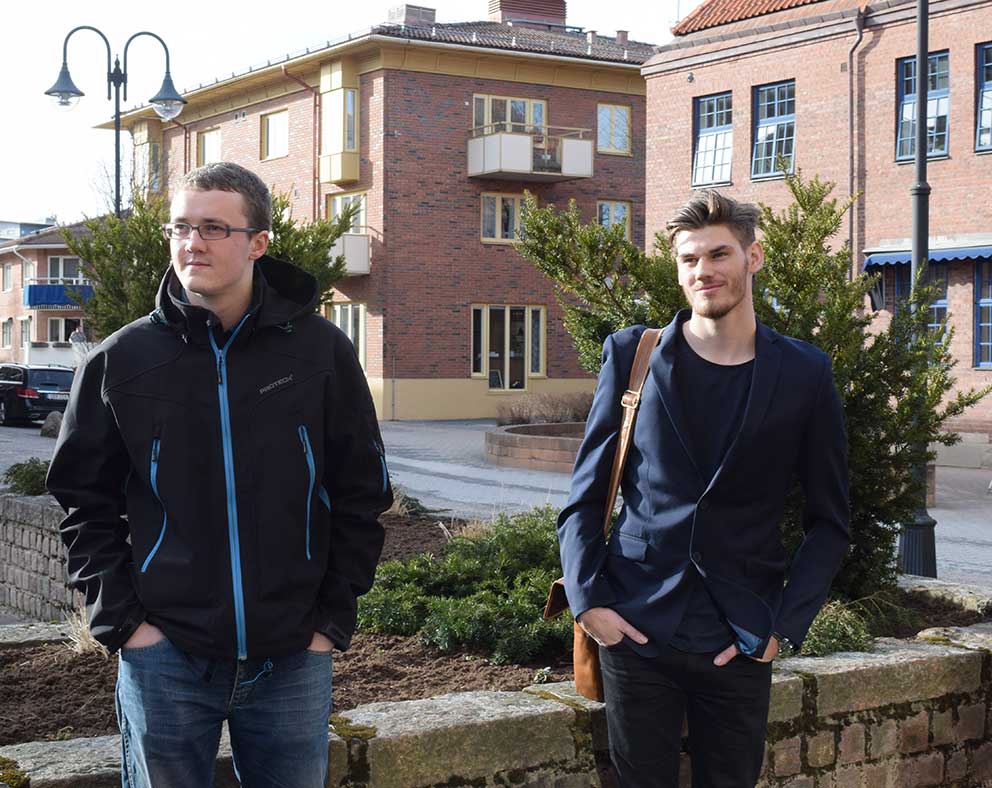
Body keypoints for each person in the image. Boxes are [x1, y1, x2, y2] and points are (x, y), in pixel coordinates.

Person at [47, 162, 393, 788]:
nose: (192, 243)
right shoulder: (121, 361)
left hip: (293, 655)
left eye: (213, 228)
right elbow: (82, 502)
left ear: (258, 242)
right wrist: (125, 625)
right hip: (165, 658)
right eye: (180, 227)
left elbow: (362, 493)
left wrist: (329, 621)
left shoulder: (320, 353)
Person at [557, 190, 849, 787]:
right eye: (689, 259)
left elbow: (830, 522)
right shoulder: (632, 356)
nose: (702, 271)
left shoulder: (804, 373)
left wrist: (780, 628)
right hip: (636, 628)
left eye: (718, 254)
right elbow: (585, 496)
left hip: (740, 635)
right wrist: (589, 604)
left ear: (753, 257)